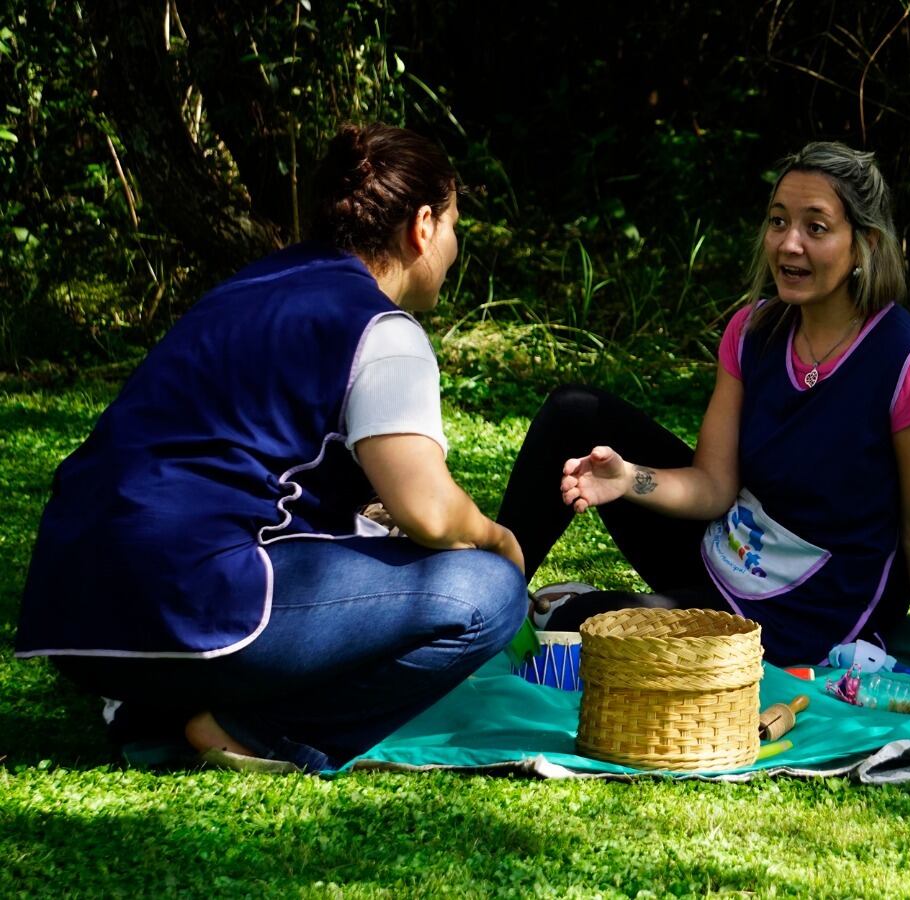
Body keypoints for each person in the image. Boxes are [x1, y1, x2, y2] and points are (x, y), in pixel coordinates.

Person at [16, 124, 527, 772]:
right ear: (421, 226)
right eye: (454, 226)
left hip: (75, 616)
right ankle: (257, 732)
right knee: (487, 593)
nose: (453, 248)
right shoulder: (381, 326)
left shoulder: (252, 287)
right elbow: (428, 512)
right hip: (196, 599)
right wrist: (494, 539)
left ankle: (157, 712)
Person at [498, 142, 910, 671]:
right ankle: (484, 600)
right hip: (726, 549)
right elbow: (714, 486)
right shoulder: (752, 331)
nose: (789, 244)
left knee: (580, 629)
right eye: (778, 221)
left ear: (864, 246)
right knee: (574, 411)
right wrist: (630, 479)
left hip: (812, 613)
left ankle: (568, 606)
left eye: (816, 228)